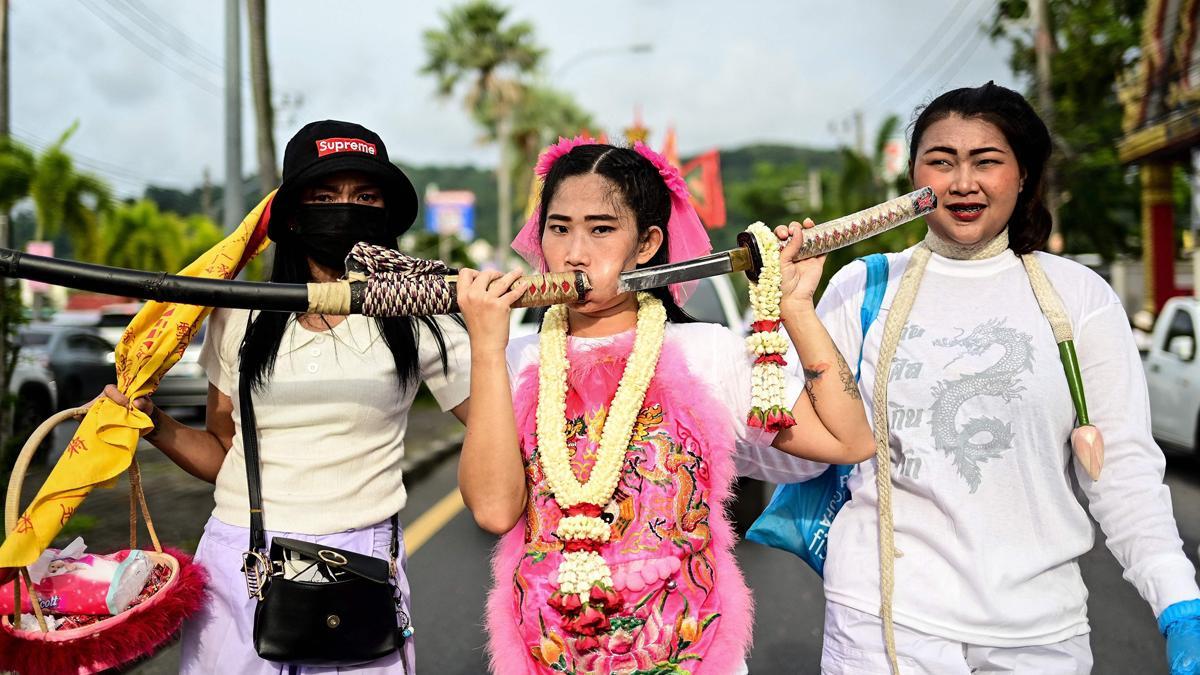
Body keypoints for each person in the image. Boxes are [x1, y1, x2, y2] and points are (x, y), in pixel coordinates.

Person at [811, 82, 1200, 674]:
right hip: (883, 621)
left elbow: (1120, 469)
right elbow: (797, 450)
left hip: (1041, 632)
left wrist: (1178, 600)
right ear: (912, 178)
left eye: (986, 161)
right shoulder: (861, 288)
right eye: (940, 162)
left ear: (1023, 177)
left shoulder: (1078, 298)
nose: (962, 182)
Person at [454, 137, 874, 674]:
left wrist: (795, 307)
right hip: (546, 655)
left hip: (691, 656)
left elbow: (849, 442)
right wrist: (485, 349)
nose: (574, 252)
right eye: (559, 228)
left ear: (648, 244)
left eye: (601, 229)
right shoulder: (515, 359)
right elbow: (492, 510)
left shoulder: (706, 353)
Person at [102, 120, 471, 674]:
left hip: (360, 564)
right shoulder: (241, 311)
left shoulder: (420, 316)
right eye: (324, 196)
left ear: (386, 213)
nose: (345, 208)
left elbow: (503, 427)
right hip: (239, 561)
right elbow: (225, 452)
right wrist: (155, 425)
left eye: (365, 197)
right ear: (292, 214)